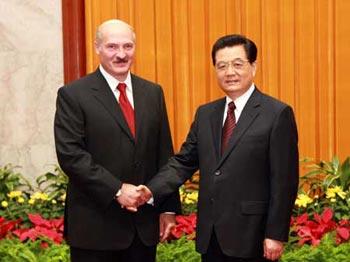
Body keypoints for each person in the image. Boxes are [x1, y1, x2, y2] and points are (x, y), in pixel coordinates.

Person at [136, 34, 299, 261]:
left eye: (237, 64)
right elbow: (183, 162)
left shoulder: (277, 114)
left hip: (253, 237)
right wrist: (151, 190)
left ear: (254, 66)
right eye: (221, 66)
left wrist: (275, 234)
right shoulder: (206, 114)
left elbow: (285, 180)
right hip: (211, 237)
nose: (229, 72)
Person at [54, 19, 180, 262]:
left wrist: (167, 207)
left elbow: (164, 154)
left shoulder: (153, 92)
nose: (121, 54)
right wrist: (117, 189)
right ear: (97, 48)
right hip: (95, 228)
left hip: (142, 228)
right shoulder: (73, 95)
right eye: (112, 47)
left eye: (128, 46)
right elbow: (71, 155)